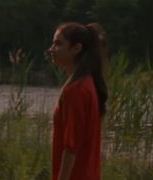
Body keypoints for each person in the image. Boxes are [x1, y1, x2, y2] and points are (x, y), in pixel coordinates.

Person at [48, 22, 108, 180]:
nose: (51, 49)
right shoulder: (86, 84)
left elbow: (71, 148)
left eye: (58, 44)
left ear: (76, 48)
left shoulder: (76, 90)